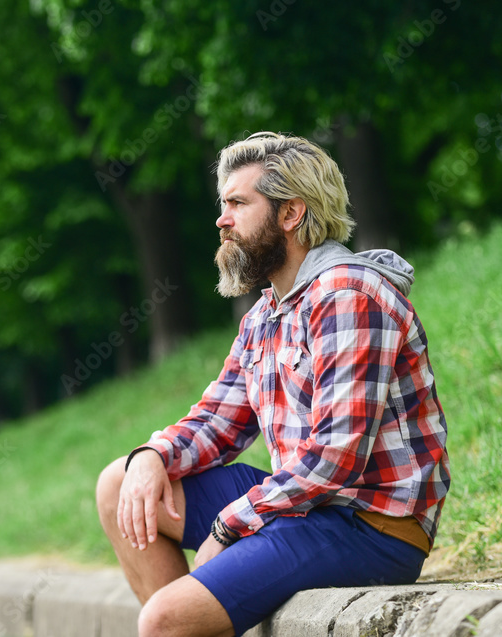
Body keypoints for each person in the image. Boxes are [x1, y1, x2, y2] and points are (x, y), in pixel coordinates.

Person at [96, 131, 450, 637]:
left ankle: (182, 622)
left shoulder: (348, 296)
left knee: (163, 621)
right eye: (223, 205)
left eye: (238, 203)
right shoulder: (264, 316)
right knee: (122, 484)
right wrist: (153, 455)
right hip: (307, 506)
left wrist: (230, 524)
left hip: (369, 525)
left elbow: (335, 457)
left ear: (291, 214)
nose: (221, 219)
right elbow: (217, 422)